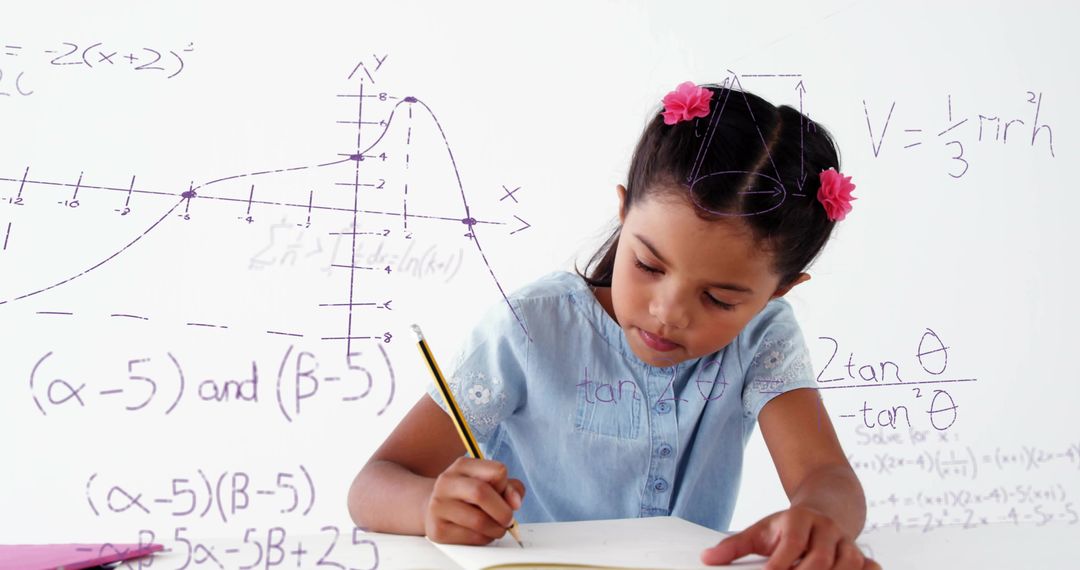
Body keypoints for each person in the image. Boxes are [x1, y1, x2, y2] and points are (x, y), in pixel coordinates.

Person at [348, 81, 879, 569]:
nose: (668, 312)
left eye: (719, 298)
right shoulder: (531, 327)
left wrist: (822, 519)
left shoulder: (763, 338)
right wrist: (429, 506)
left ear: (777, 293)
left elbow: (824, 478)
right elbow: (373, 485)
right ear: (624, 213)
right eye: (648, 266)